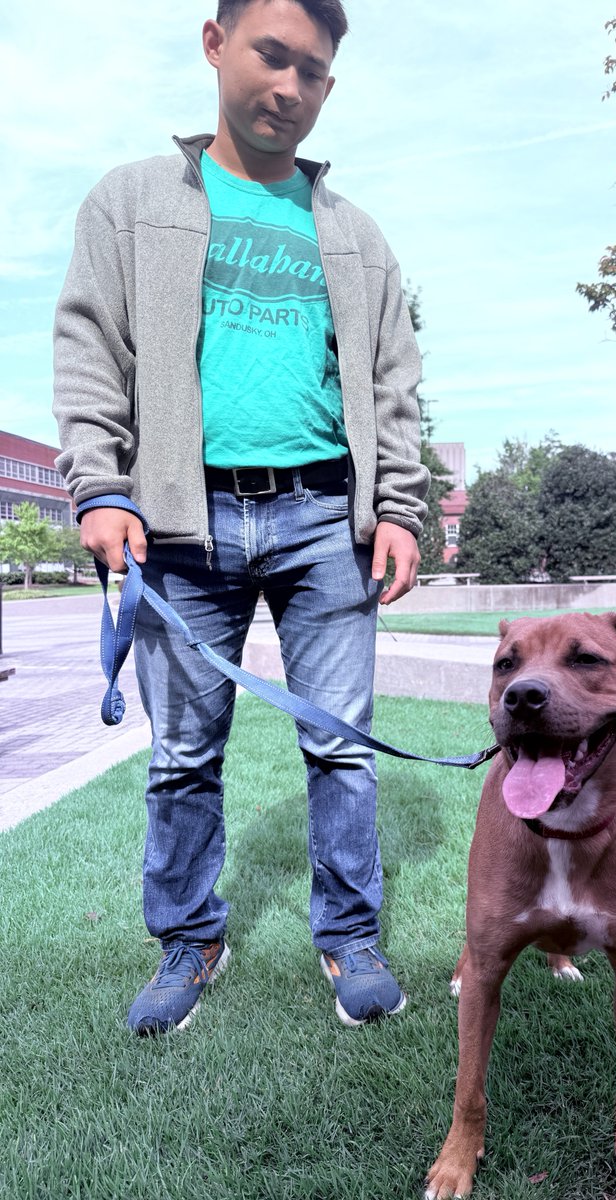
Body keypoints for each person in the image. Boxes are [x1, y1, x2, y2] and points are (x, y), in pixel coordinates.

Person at [53, 0, 429, 1034]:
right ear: (215, 44)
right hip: (178, 524)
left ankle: (349, 937)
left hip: (324, 520)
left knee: (342, 745)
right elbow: (91, 350)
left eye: (312, 71)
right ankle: (190, 939)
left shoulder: (355, 234)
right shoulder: (129, 202)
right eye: (272, 55)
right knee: (181, 757)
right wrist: (99, 485)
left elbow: (395, 382)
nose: (289, 88)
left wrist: (396, 505)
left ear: (329, 86)